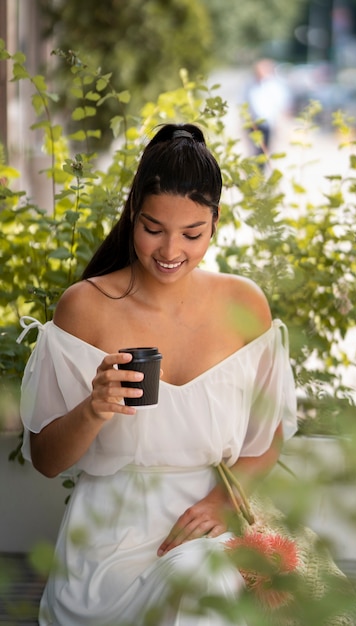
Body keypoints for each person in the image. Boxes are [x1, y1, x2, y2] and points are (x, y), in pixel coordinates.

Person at [18, 123, 298, 625]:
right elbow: (45, 460)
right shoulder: (86, 307)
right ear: (132, 216)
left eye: (191, 234)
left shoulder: (244, 304)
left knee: (204, 579)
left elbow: (267, 437)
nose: (170, 252)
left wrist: (221, 504)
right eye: (153, 229)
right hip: (106, 541)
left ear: (214, 222)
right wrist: (94, 407)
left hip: (201, 527)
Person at [244, 58, 291, 158]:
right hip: (253, 122)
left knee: (265, 149)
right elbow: (244, 101)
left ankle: (261, 170)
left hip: (268, 122)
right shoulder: (250, 84)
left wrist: (282, 120)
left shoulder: (274, 85)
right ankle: (256, 170)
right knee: (254, 150)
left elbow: (282, 102)